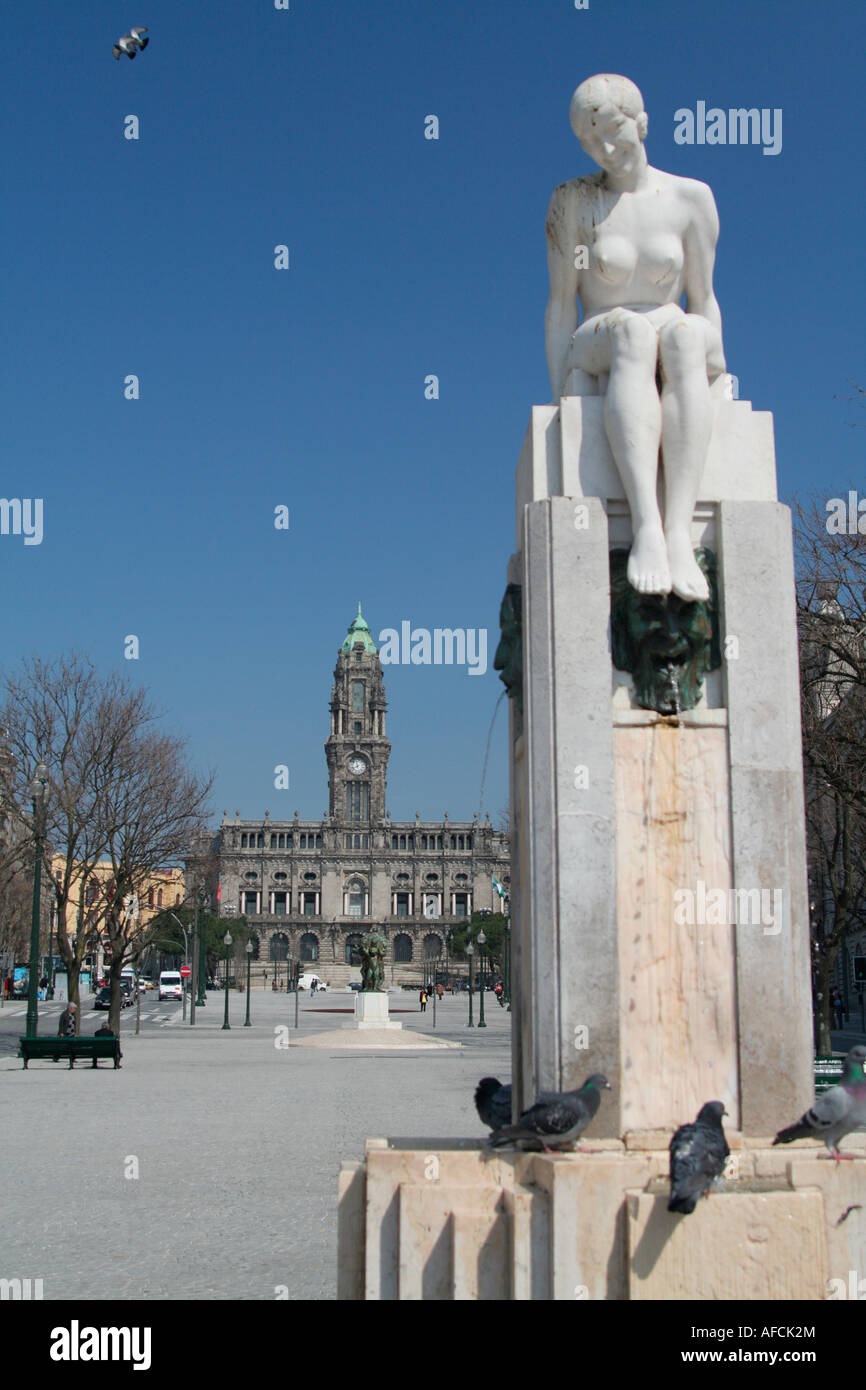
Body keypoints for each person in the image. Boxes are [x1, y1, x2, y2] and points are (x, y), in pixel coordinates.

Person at [545, 73, 726, 603]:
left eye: (612, 131)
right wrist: (561, 401)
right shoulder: (572, 202)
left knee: (688, 338)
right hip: (603, 332)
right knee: (632, 335)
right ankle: (647, 524)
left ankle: (678, 532)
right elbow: (559, 307)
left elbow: (704, 297)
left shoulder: (692, 199)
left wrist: (716, 361)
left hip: (674, 326)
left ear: (642, 122)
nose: (602, 148)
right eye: (587, 138)